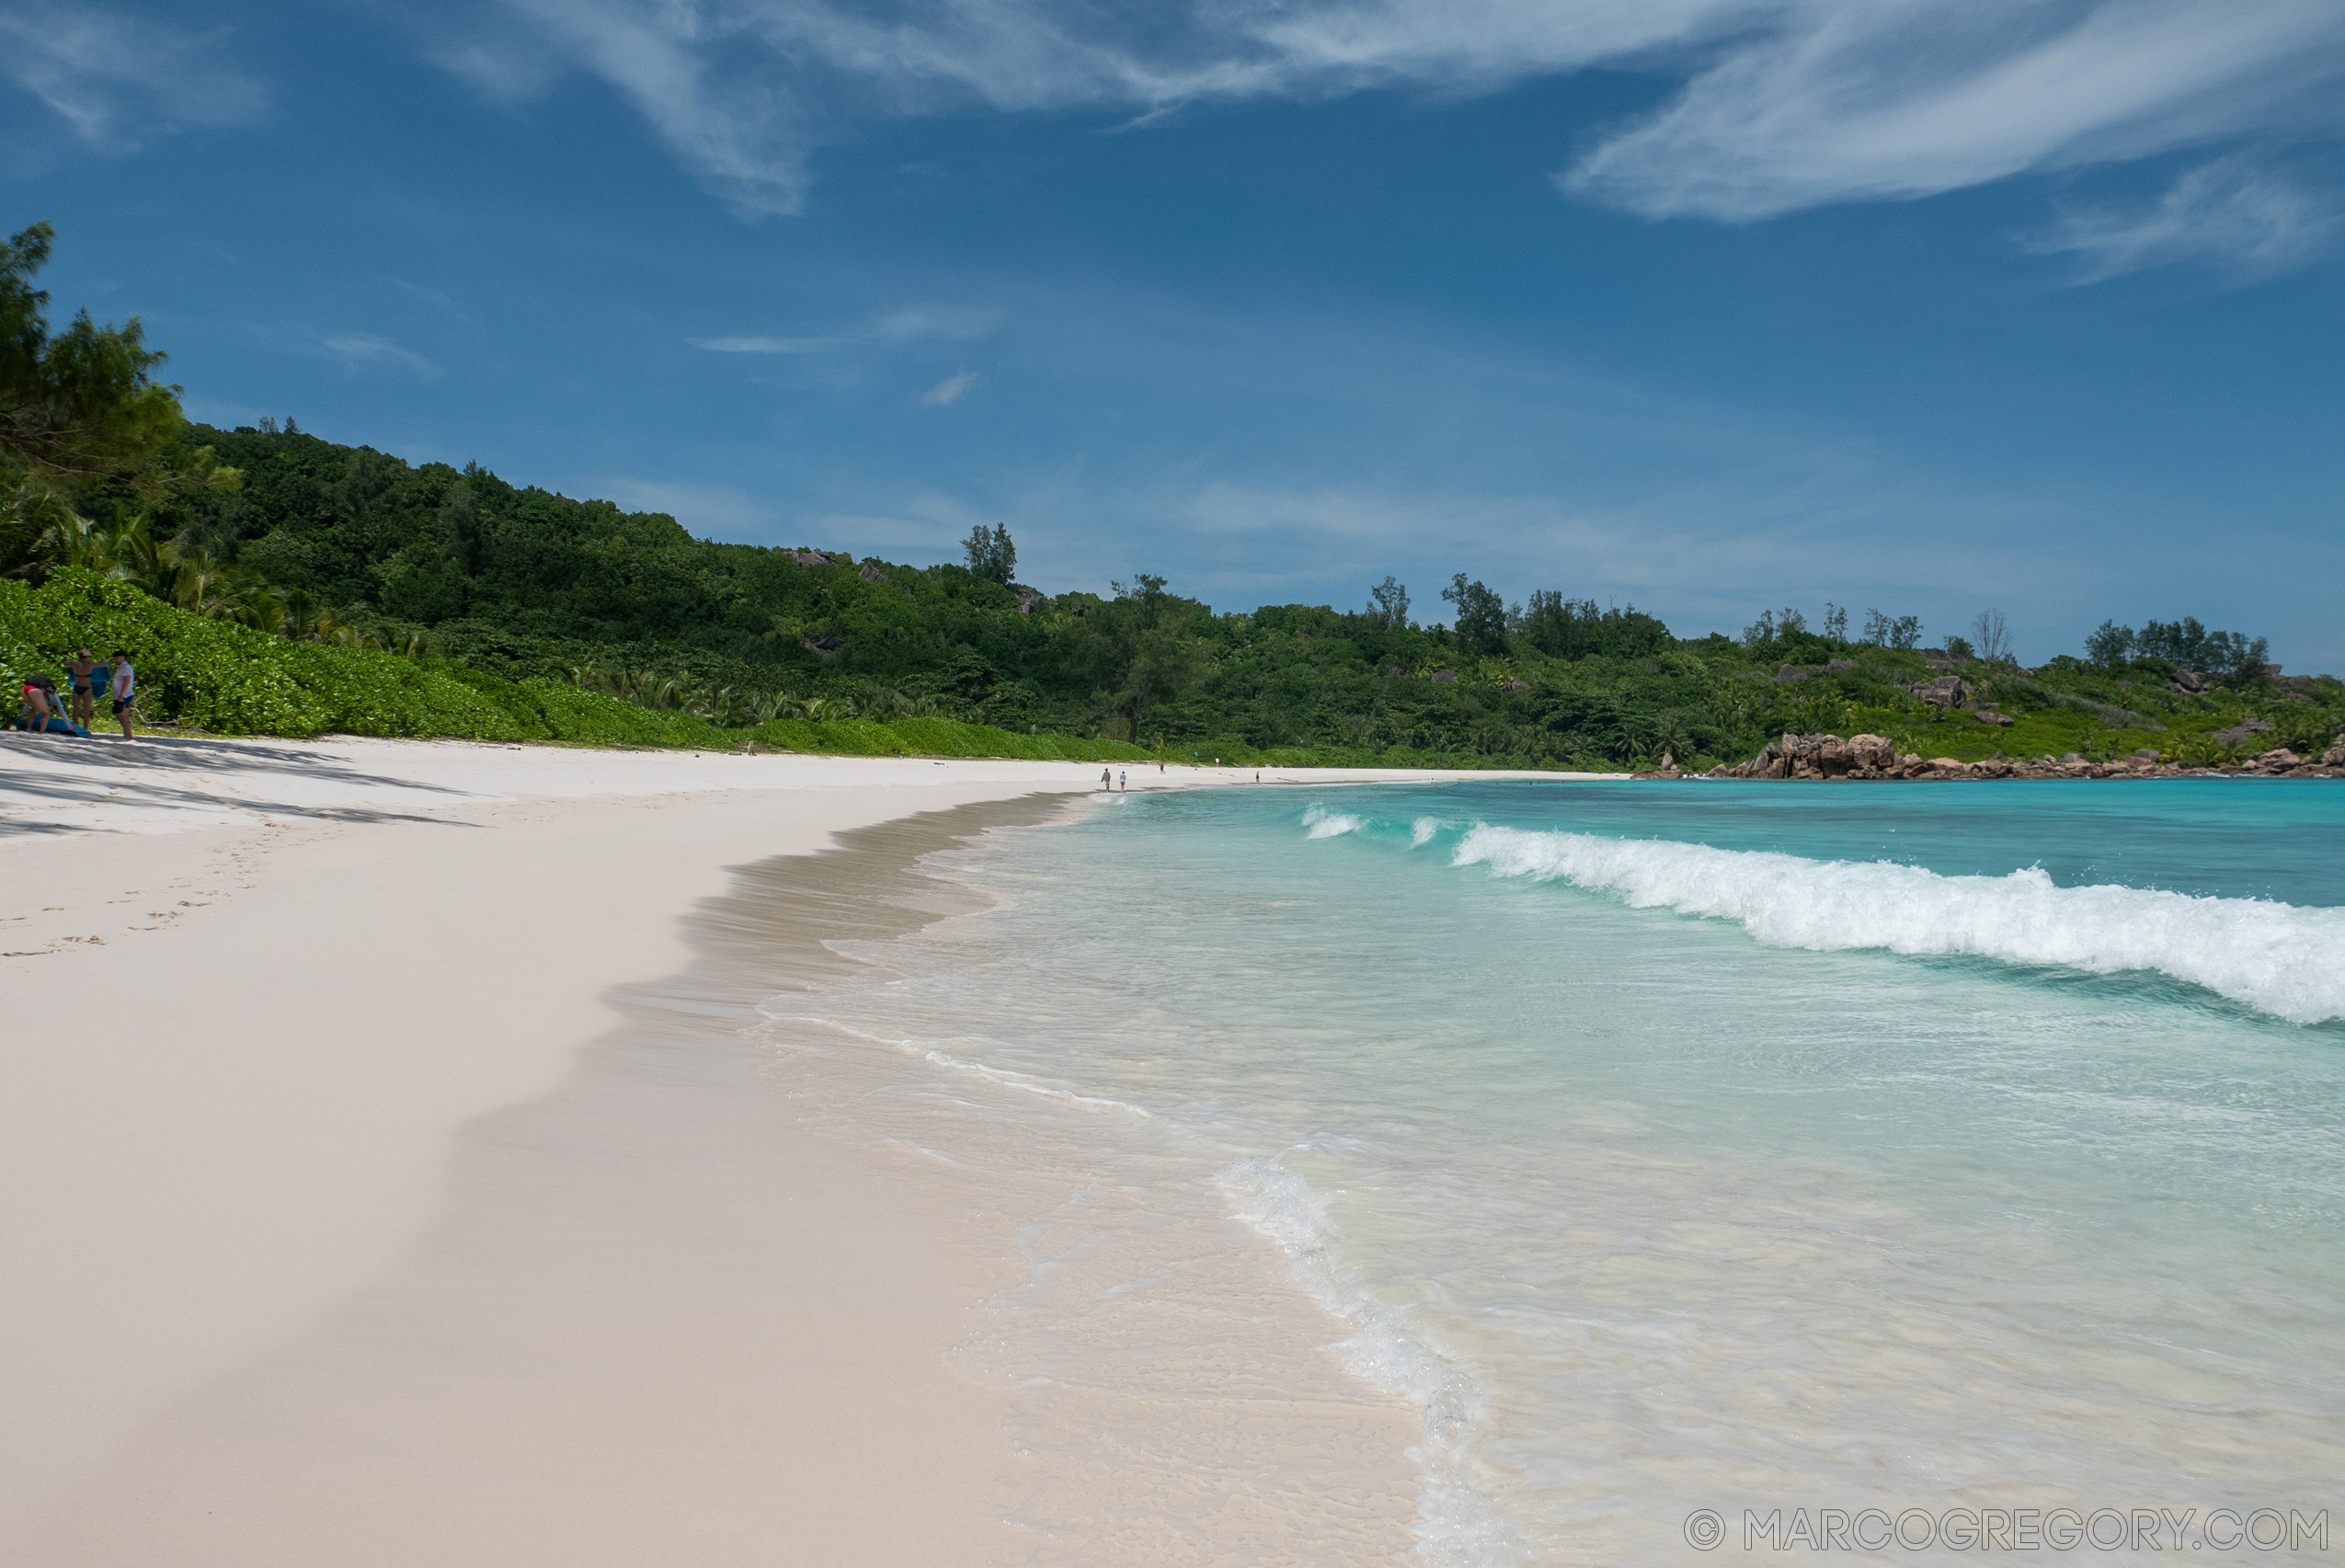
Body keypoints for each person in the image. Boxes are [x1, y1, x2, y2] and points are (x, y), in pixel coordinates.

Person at [66, 648, 98, 727]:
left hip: (78, 688)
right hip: (85, 688)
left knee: (77, 709)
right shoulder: (90, 664)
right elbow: (102, 664)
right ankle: (83, 728)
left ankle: (79, 727)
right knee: (83, 710)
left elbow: (65, 663)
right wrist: (106, 661)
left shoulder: (75, 664)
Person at [109, 649, 136, 738]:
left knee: (123, 715)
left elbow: (126, 681)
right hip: (118, 694)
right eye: (114, 658)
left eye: (117, 658)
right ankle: (127, 733)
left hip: (125, 694)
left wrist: (121, 695)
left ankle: (128, 735)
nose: (115, 660)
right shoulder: (120, 667)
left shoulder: (126, 668)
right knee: (118, 713)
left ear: (122, 657)